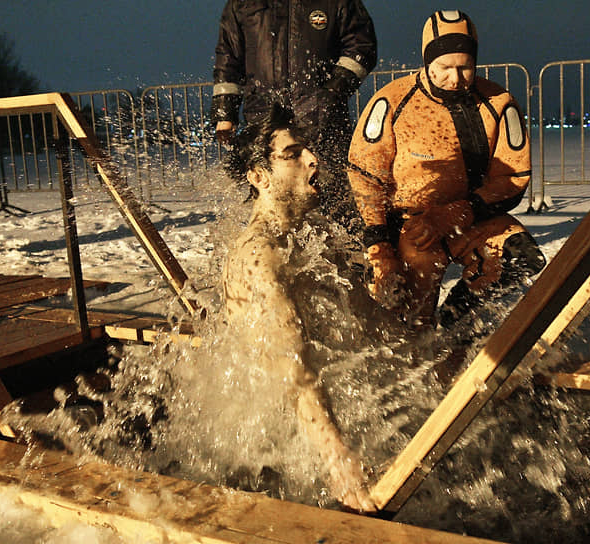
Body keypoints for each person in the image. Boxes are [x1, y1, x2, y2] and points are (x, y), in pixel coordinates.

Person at [346, 10, 546, 330]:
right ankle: (419, 340)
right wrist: (379, 245)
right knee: (412, 316)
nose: (456, 78)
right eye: (444, 68)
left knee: (520, 258)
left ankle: (453, 325)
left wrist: (461, 211)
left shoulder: (498, 103)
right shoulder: (392, 102)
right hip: (411, 227)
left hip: (469, 217)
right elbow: (364, 176)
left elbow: (513, 177)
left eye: (465, 67)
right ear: (427, 62)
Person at [221, 105, 375, 512]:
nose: (313, 160)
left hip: (328, 406)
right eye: (292, 155)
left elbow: (372, 321)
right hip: (276, 446)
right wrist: (335, 455)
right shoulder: (260, 256)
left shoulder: (316, 234)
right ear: (258, 177)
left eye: (309, 150)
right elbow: (292, 366)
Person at [211, 0, 377, 229]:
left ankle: (347, 257)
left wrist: (330, 94)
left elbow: (362, 47)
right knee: (272, 196)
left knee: (334, 194)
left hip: (323, 120)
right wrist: (224, 113)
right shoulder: (241, 3)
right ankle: (276, 253)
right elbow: (228, 57)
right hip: (264, 120)